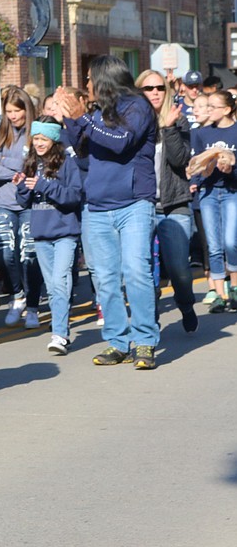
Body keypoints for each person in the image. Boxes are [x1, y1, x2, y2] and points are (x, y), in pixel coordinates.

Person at [57, 55, 159, 369]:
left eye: (89, 79)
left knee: (136, 270)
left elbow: (120, 142)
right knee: (104, 278)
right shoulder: (99, 113)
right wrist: (71, 121)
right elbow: (85, 154)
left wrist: (83, 119)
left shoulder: (139, 106)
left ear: (104, 80)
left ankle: (144, 340)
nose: (86, 85)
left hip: (134, 205)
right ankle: (117, 341)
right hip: (97, 207)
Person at [15, 118, 84, 354]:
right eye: (36, 139)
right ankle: (60, 330)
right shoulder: (31, 163)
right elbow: (24, 201)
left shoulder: (67, 163)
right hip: (42, 234)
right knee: (53, 286)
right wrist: (22, 186)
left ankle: (60, 334)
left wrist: (44, 186)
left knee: (60, 281)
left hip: (65, 232)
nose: (39, 144)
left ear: (54, 139)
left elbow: (74, 196)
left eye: (43, 139)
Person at [136, 70, 197, 331]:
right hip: (141, 205)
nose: (155, 93)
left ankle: (185, 304)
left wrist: (168, 127)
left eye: (160, 87)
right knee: (143, 272)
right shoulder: (133, 123)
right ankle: (150, 320)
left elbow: (179, 160)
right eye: (148, 88)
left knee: (179, 270)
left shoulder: (178, 120)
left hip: (175, 204)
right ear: (139, 92)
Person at [0, 86, 43, 327]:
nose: (12, 116)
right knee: (5, 252)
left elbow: (34, 164)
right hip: (4, 201)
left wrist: (11, 165)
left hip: (30, 202)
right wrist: (17, 168)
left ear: (27, 109)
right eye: (8, 111)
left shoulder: (36, 132)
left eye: (16, 111)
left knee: (29, 255)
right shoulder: (0, 134)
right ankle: (17, 295)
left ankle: (32, 306)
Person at [189, 89, 237, 313]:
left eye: (212, 107)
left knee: (230, 242)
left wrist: (230, 167)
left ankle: (234, 287)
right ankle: (219, 294)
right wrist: (198, 174)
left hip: (231, 191)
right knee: (214, 246)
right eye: (206, 106)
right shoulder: (201, 133)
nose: (208, 110)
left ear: (227, 109)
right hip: (208, 193)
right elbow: (196, 163)